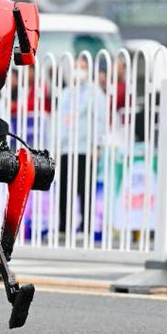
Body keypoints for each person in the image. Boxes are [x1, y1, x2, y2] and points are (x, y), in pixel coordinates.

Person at [56, 55, 107, 237]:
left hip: (86, 147)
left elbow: (100, 121)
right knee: (64, 187)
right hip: (65, 147)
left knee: (85, 188)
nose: (80, 70)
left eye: (83, 66)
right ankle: (64, 225)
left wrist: (97, 145)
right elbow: (59, 120)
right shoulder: (65, 93)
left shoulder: (95, 93)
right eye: (77, 66)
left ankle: (85, 225)